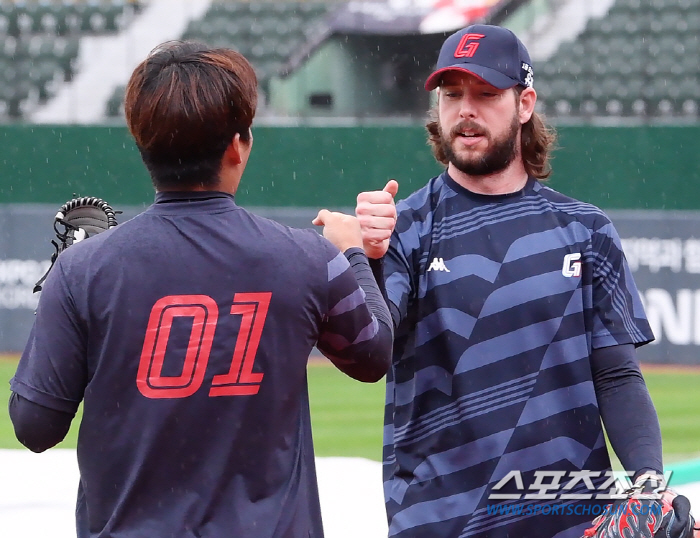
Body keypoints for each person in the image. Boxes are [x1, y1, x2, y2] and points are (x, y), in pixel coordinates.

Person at [9, 41, 392, 538]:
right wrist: (355, 254)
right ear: (238, 145)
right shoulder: (309, 259)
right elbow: (373, 356)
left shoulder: (83, 270)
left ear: (141, 140)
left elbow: (34, 425)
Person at [355, 24, 686, 538]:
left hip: (569, 521)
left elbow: (617, 375)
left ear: (525, 103)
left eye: (486, 94)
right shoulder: (407, 231)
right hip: (440, 523)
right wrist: (368, 256)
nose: (466, 110)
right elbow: (370, 347)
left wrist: (647, 484)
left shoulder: (586, 230)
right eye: (452, 95)